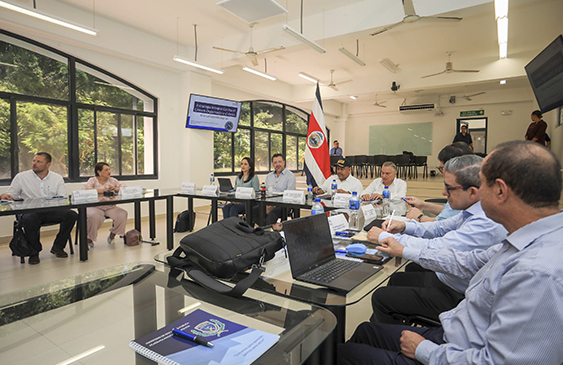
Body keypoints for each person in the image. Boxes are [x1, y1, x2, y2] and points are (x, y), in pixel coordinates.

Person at [338, 140, 563, 365]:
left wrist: (424, 350)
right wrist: (404, 241)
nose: (478, 193)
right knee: (366, 331)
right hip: (459, 332)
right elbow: (469, 261)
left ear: (500, 191)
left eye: (482, 185)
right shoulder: (530, 237)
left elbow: (498, 361)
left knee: (342, 354)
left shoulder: (538, 273)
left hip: (456, 349)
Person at [367, 155, 507, 324]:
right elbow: (439, 228)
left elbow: (437, 247)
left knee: (381, 297)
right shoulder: (473, 210)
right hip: (450, 280)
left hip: (458, 295)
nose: (443, 193)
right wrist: (405, 227)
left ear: (472, 192)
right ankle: (380, 333)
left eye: (449, 188)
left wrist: (386, 237)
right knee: (398, 278)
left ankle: (391, 340)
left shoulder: (486, 221)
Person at [0, 152, 77, 264]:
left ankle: (58, 246)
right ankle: (34, 252)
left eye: (39, 161)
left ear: (48, 164)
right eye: (34, 161)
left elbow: (62, 198)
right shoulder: (21, 177)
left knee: (72, 215)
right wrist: (5, 196)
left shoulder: (57, 178)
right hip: (29, 212)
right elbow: (11, 195)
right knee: (30, 218)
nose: (35, 164)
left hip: (50, 211)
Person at [404, 142, 474, 222]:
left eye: (443, 168)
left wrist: (420, 217)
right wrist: (423, 205)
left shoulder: (464, 189)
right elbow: (450, 212)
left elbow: (442, 226)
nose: (444, 192)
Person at [83, 162, 127, 246]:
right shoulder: (93, 180)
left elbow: (124, 187)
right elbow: (87, 190)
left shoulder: (112, 180)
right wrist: (104, 190)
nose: (109, 172)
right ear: (99, 172)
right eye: (106, 170)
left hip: (110, 207)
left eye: (109, 170)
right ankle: (89, 238)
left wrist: (115, 188)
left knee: (122, 214)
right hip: (95, 207)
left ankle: (113, 233)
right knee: (94, 216)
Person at [253, 153, 296, 225]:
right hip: (268, 203)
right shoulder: (269, 176)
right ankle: (264, 229)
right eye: (275, 162)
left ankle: (269, 233)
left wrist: (274, 206)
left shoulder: (290, 176)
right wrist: (267, 205)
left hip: (283, 205)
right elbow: (265, 192)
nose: (277, 164)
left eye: (280, 162)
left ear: (284, 162)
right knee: (253, 211)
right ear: (273, 164)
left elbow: (289, 196)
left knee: (271, 215)